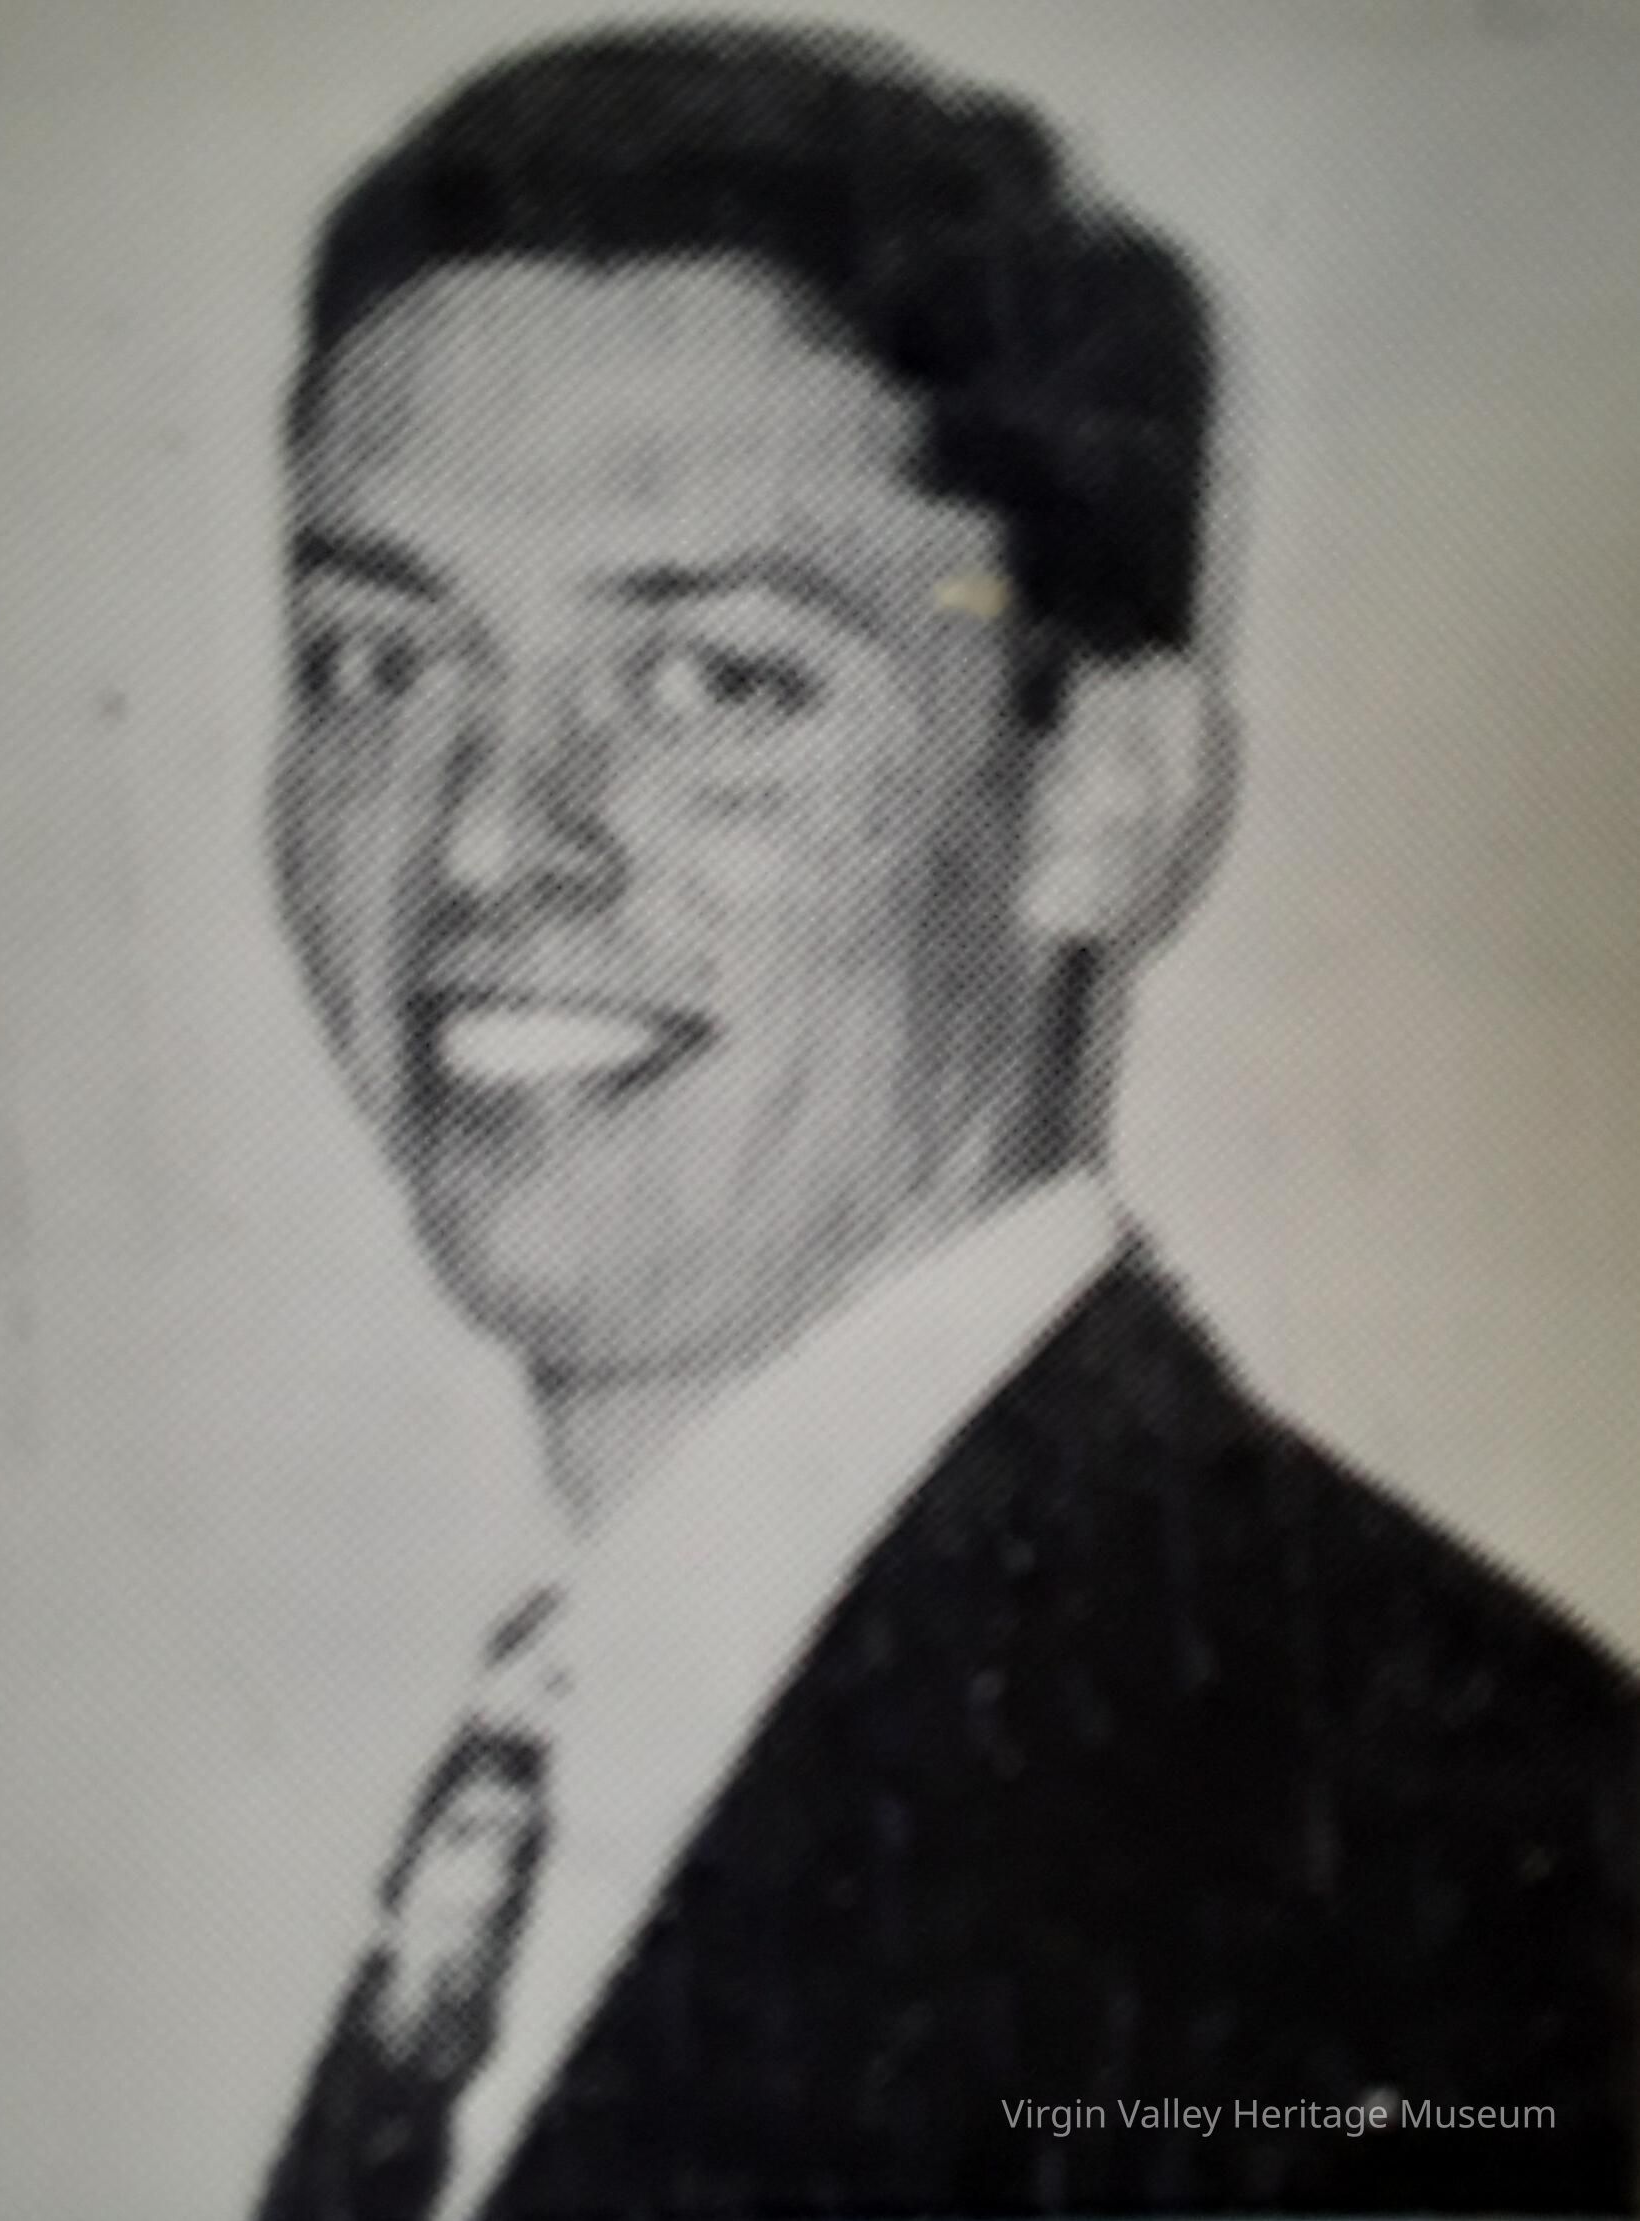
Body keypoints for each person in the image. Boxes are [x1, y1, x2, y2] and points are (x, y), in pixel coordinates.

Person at [254, 22, 1636, 2217]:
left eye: (719, 679)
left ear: (1103, 801)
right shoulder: (615, 1735)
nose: (487, 843)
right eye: (381, 663)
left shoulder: (1449, 1885)